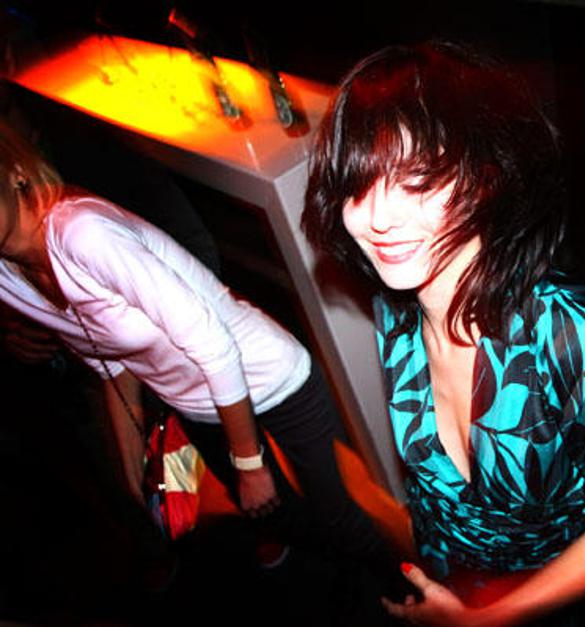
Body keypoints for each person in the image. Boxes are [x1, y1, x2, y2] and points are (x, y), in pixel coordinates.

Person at [303, 41, 585, 626]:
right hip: (449, 578)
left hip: (552, 600)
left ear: (486, 179)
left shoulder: (574, 340)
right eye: (358, 185)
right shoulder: (395, 310)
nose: (377, 219)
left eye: (417, 180)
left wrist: (489, 619)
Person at [0, 118, 392, 591]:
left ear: (15, 172)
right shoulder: (6, 278)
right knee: (269, 511)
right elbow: (110, 361)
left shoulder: (84, 235)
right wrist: (132, 468)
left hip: (268, 375)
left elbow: (214, 346)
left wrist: (249, 463)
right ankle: (329, 571)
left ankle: (412, 594)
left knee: (345, 518)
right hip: (197, 405)